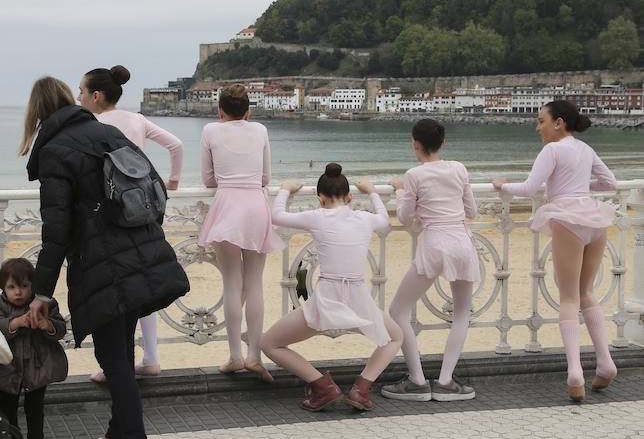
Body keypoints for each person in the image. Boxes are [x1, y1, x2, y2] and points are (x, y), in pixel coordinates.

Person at [19, 76, 189, 439]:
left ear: (38, 113)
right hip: (141, 252)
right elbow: (152, 192)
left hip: (105, 265)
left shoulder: (57, 151)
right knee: (119, 356)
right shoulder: (108, 133)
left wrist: (41, 292)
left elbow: (55, 232)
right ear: (69, 101)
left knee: (114, 362)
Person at [494, 101, 617, 402]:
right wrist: (580, 189)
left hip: (568, 219)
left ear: (558, 122)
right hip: (594, 217)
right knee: (587, 293)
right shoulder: (585, 149)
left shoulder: (552, 150)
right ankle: (605, 362)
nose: (538, 127)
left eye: (541, 121)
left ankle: (575, 371)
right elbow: (610, 183)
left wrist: (502, 185)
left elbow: (531, 187)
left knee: (569, 297)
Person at [262, 165, 403, 411]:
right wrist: (371, 193)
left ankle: (322, 386)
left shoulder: (317, 216)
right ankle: (361, 389)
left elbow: (277, 216)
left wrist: (285, 190)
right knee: (395, 338)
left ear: (320, 199)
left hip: (326, 302)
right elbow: (383, 221)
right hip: (358, 301)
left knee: (269, 344)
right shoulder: (363, 218)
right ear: (350, 198)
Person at [78, 65, 183, 382]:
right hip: (141, 210)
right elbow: (176, 145)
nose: (78, 97)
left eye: (81, 92)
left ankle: (115, 366)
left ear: (96, 96)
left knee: (112, 290)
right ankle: (150, 358)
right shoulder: (137, 120)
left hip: (108, 214)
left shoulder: (90, 123)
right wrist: (173, 181)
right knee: (145, 283)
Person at [381, 119, 480, 403]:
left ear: (415, 144)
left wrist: (400, 190)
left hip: (435, 245)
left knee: (398, 310)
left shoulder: (414, 174)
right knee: (461, 312)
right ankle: (447, 381)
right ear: (443, 143)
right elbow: (471, 210)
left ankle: (417, 380)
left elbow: (404, 217)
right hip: (461, 243)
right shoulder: (459, 168)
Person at [198, 84, 284, 382]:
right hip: (255, 204)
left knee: (232, 284)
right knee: (255, 283)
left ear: (220, 111)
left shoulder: (210, 130)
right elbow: (266, 177)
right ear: (248, 112)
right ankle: (254, 356)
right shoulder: (259, 130)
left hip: (226, 204)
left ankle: (235, 356)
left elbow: (207, 177)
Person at [0, 258, 68, 439]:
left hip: (37, 366)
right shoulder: (0, 304)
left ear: (34, 286)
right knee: (7, 408)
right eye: (12, 287)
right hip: (7, 368)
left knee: (35, 408)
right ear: (3, 288)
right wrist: (16, 322)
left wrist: (47, 325)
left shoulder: (45, 304)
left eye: (25, 286)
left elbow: (61, 329)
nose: (18, 292)